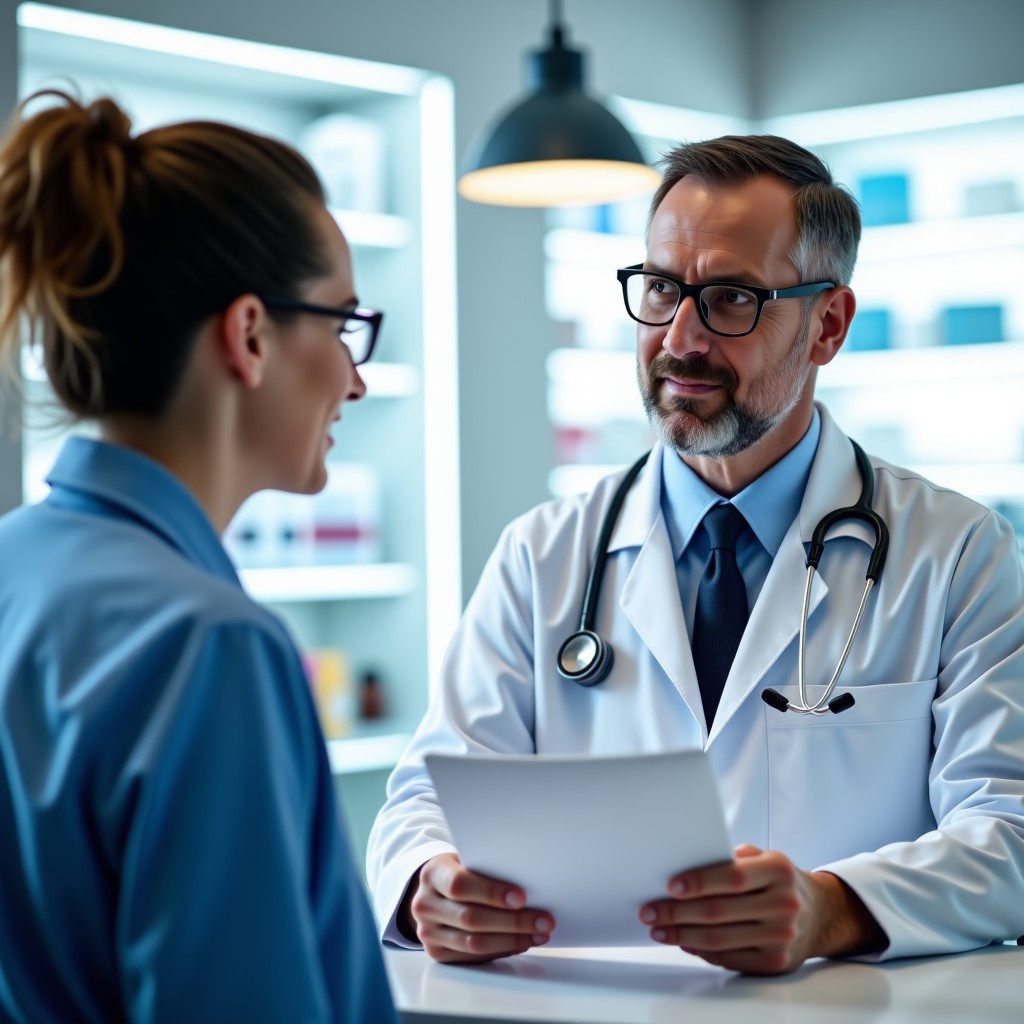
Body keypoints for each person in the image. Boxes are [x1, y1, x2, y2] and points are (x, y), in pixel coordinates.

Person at [367, 134, 1024, 975]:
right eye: (662, 289)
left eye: (730, 298)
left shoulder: (959, 553)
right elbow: (428, 792)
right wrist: (432, 881)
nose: (680, 337)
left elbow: (1008, 829)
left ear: (828, 324)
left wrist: (835, 909)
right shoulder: (543, 554)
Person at [0, 89, 396, 1023]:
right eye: (342, 324)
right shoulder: (208, 645)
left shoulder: (15, 566)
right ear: (250, 334)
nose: (356, 375)